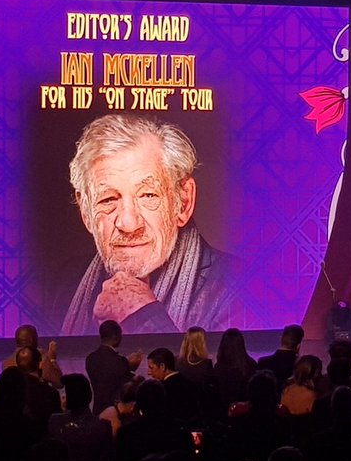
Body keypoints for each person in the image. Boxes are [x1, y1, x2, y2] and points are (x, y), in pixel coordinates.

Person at [62, 114, 237, 335]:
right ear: (86, 212)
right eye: (108, 199)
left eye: (148, 195)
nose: (128, 224)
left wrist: (142, 316)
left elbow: (203, 370)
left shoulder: (241, 288)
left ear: (183, 203)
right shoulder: (62, 285)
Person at [85, 319, 144, 413]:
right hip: (116, 412)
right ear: (116, 336)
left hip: (98, 411)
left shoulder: (90, 359)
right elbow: (125, 389)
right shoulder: (119, 361)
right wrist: (131, 369)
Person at [2, 324, 62, 389]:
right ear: (32, 339)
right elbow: (59, 383)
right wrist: (52, 359)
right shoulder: (42, 358)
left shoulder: (6, 363)